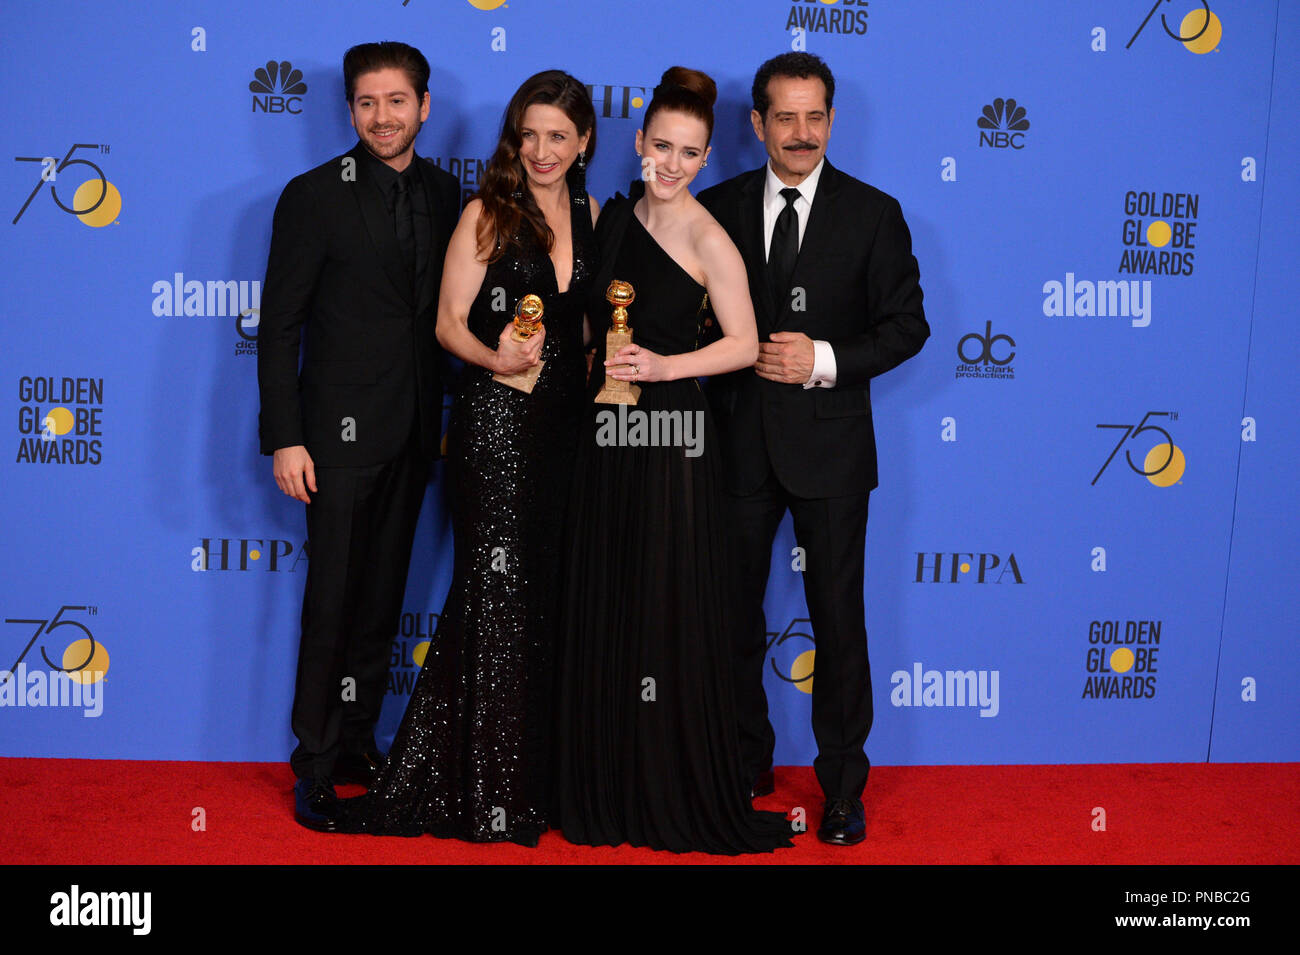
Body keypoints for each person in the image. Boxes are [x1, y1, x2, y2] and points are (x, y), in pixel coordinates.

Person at [334, 70, 599, 846]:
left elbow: (583, 326)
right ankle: (483, 788)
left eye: (558, 136)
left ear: (583, 142)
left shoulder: (592, 215)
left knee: (543, 601)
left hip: (565, 433)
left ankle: (529, 780)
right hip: (493, 430)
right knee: (494, 600)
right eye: (531, 134)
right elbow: (448, 323)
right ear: (514, 139)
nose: (543, 150)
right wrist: (496, 359)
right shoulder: (489, 211)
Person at [555, 67, 794, 855]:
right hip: (604, 440)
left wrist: (665, 367)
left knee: (663, 609)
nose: (673, 163)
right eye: (661, 145)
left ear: (706, 156)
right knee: (609, 598)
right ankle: (607, 779)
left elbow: (743, 343)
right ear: (637, 142)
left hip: (673, 443)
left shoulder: (707, 234)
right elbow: (589, 325)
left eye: (690, 152)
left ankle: (666, 784)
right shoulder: (609, 219)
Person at [697, 52, 929, 845]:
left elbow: (907, 327)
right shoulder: (715, 207)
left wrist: (822, 359)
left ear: (832, 120)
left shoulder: (874, 214)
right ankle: (742, 763)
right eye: (785, 117)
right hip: (733, 446)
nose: (802, 133)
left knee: (838, 617)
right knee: (730, 616)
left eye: (815, 116)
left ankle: (841, 787)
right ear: (757, 124)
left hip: (830, 450)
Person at [257, 41, 461, 831]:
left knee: (382, 602)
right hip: (333, 443)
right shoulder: (311, 197)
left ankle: (356, 744)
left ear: (424, 106)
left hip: (415, 436)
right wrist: (287, 436)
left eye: (397, 101)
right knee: (333, 602)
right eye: (367, 103)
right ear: (350, 111)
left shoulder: (449, 195)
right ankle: (312, 762)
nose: (383, 117)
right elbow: (280, 327)